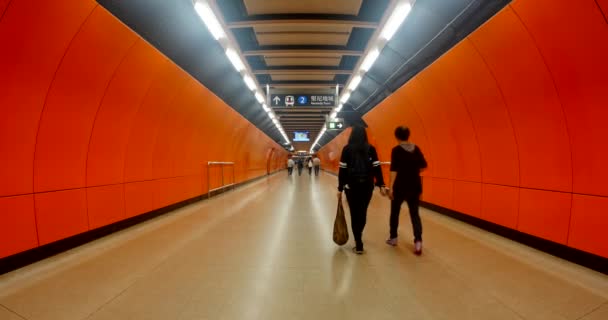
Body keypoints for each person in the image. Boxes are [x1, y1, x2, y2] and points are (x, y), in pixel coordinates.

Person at [337, 126, 387, 254]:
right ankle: (359, 235)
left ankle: (358, 242)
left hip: (351, 186)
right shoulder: (371, 149)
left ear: (352, 135)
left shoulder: (347, 149)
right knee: (362, 211)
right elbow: (377, 168)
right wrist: (381, 184)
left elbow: (342, 170)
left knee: (354, 213)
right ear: (365, 135)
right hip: (367, 186)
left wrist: (340, 188)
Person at [385, 126, 427, 255]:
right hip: (415, 185)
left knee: (395, 212)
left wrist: (390, 187)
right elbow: (424, 166)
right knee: (415, 214)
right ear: (408, 135)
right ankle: (418, 242)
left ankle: (393, 238)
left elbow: (394, 170)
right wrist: (413, 172)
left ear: (396, 136)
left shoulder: (396, 150)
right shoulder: (416, 148)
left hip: (400, 186)